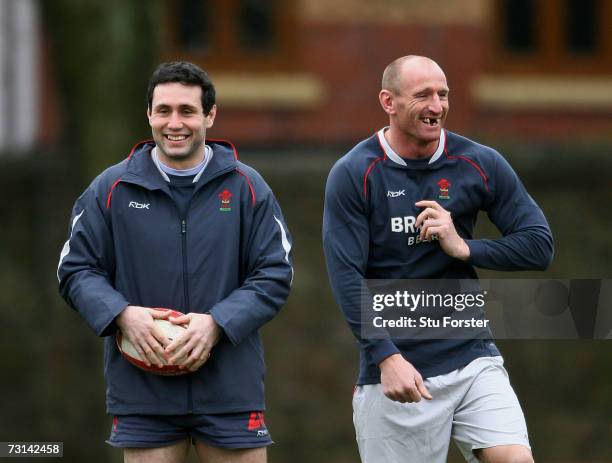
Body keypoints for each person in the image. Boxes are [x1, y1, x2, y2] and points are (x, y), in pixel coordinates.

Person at [58, 61, 293, 463]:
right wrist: (122, 314)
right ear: (149, 114)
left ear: (210, 115)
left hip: (229, 389)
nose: (175, 123)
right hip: (143, 392)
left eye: (187, 110)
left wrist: (217, 322)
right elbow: (76, 268)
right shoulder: (110, 188)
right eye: (163, 110)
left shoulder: (247, 187)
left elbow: (274, 273)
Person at [323, 55, 553, 463]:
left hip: (471, 357)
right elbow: (346, 278)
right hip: (398, 370)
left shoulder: (479, 163)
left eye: (443, 94)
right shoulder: (354, 173)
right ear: (388, 102)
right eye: (422, 95)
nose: (436, 106)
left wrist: (465, 246)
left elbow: (539, 244)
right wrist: (386, 358)